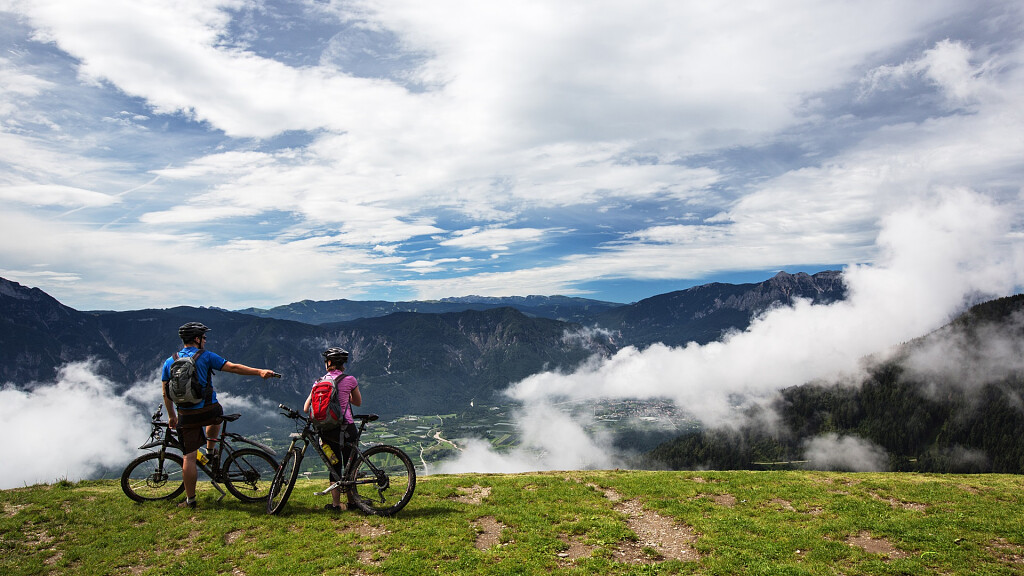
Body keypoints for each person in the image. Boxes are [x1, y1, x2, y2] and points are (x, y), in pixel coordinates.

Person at [162, 321, 278, 509]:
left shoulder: (170, 361)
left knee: (188, 457)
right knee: (217, 413)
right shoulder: (206, 356)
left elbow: (166, 393)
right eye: (204, 337)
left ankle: (190, 500)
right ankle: (210, 451)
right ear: (197, 339)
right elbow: (233, 368)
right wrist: (259, 372)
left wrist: (171, 415)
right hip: (209, 411)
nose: (205, 340)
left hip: (185, 414)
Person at [304, 346, 361, 512]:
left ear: (328, 363)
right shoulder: (350, 380)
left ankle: (336, 505)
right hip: (347, 427)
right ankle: (352, 502)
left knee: (334, 466)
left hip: (327, 430)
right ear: (342, 364)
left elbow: (306, 408)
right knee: (350, 465)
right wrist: (345, 396)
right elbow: (358, 402)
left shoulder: (318, 382)